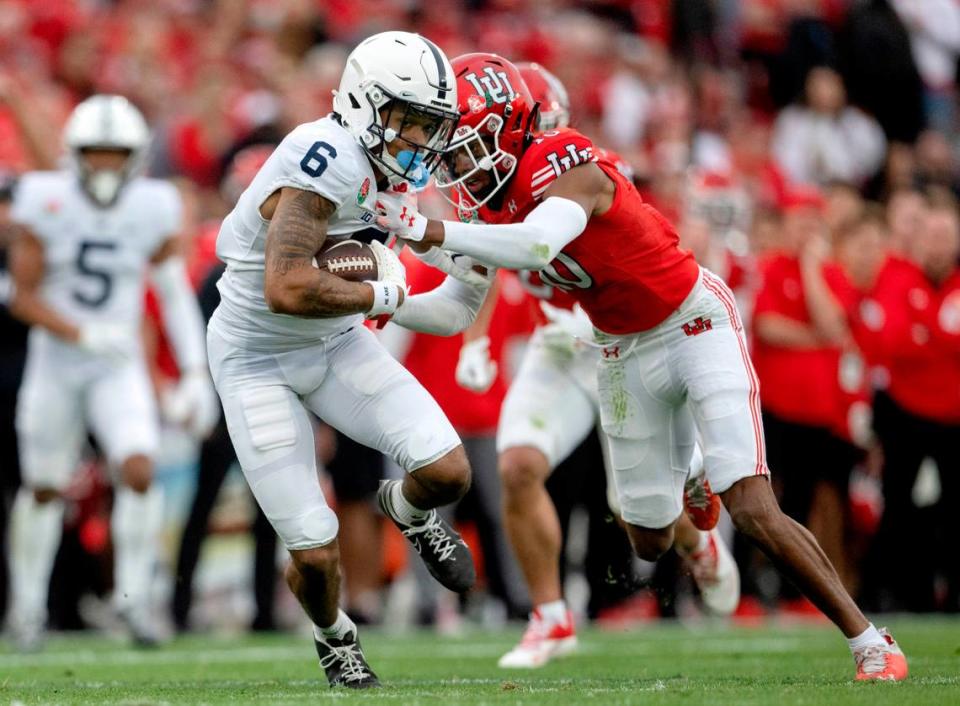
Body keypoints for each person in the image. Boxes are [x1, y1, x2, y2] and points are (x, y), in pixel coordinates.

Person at [375, 52, 908, 682]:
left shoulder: (566, 156)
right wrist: (385, 299)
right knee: (647, 538)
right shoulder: (484, 210)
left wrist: (429, 230)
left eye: (466, 149)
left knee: (752, 503)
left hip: (692, 323)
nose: (460, 169)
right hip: (620, 349)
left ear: (509, 124)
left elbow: (540, 243)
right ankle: (691, 494)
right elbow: (456, 308)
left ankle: (870, 640)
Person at [206, 31, 493, 689]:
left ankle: (410, 512)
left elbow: (446, 312)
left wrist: (475, 271)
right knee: (313, 551)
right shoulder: (324, 158)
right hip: (257, 358)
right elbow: (285, 289)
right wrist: (383, 293)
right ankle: (335, 637)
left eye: (431, 124)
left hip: (335, 341)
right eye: (409, 120)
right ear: (366, 105)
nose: (421, 138)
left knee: (448, 473)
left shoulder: (390, 176)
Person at [450, 61, 738, 669]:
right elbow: (488, 266)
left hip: (619, 344)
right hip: (557, 347)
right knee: (519, 466)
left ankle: (696, 538)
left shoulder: (577, 170)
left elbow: (555, 246)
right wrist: (475, 340)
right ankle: (551, 619)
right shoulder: (494, 192)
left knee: (637, 508)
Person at [7, 95, 216, 650]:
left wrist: (195, 371)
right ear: (74, 155)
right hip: (57, 362)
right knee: (45, 487)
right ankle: (27, 607)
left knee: (140, 469)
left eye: (114, 153)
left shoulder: (153, 204)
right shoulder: (44, 198)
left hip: (117, 363)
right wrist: (79, 332)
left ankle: (134, 601)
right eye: (94, 153)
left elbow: (173, 294)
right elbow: (21, 297)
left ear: (135, 156)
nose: (103, 164)